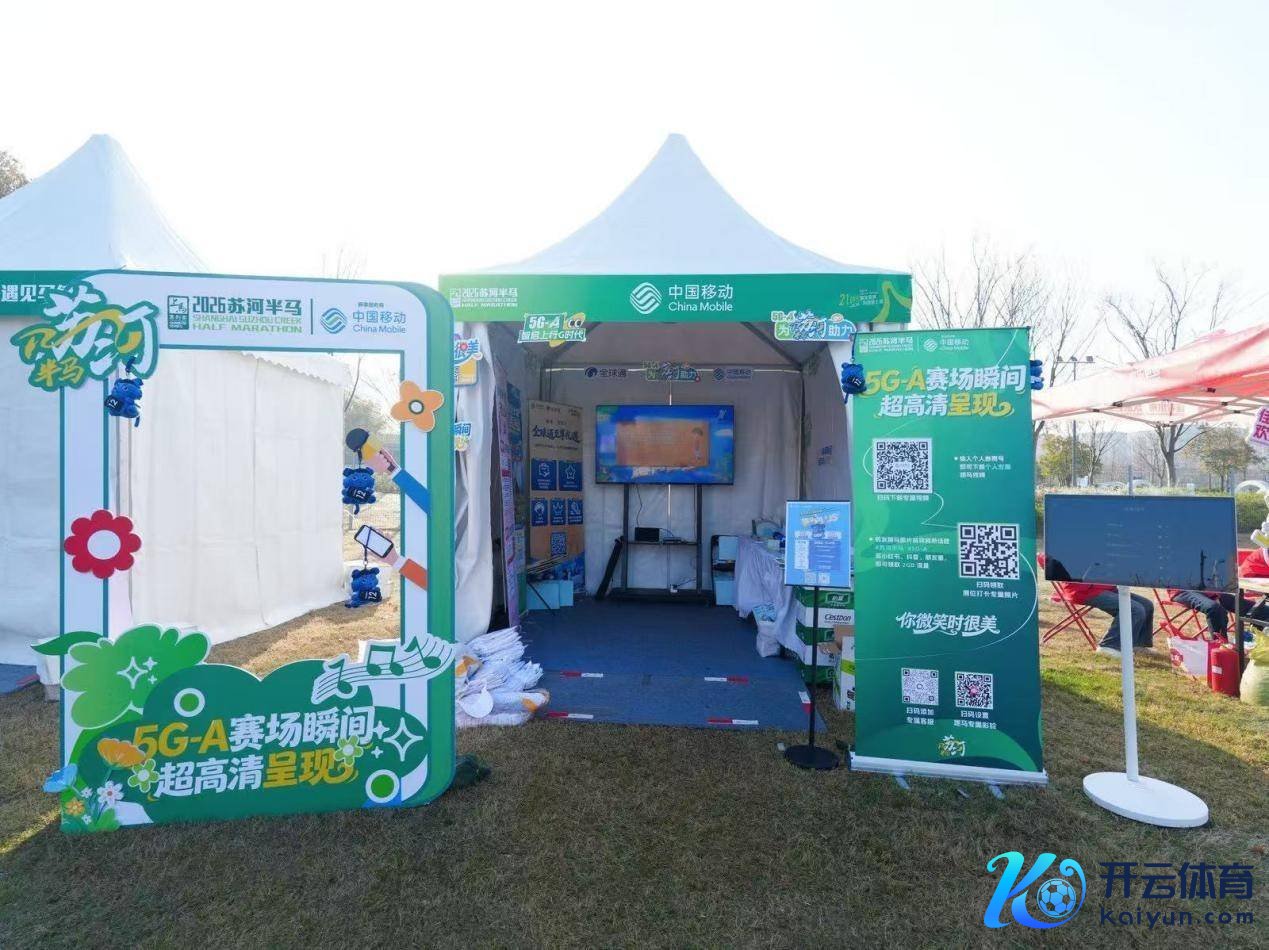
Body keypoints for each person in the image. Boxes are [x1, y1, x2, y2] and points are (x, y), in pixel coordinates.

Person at [1061, 578, 1155, 656]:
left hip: (1106, 587)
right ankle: (1108, 646)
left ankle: (1137, 645)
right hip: (1083, 590)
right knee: (1134, 609)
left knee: (1147, 605)